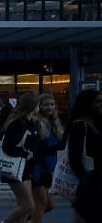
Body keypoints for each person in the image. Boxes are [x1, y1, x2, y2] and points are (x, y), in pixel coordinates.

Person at [0, 92, 39, 223]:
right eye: (38, 104)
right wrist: (25, 153)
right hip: (14, 167)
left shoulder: (31, 122)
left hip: (25, 168)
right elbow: (7, 147)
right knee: (28, 205)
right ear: (33, 106)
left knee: (25, 206)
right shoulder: (18, 123)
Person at [68, 88, 102, 222]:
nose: (101, 104)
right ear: (88, 104)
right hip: (92, 181)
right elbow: (74, 158)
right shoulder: (80, 125)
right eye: (98, 102)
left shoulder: (97, 124)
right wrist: (86, 180)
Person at [30, 93, 63, 223]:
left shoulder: (55, 122)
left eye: (52, 104)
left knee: (49, 205)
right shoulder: (37, 122)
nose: (50, 107)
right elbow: (38, 148)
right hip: (38, 167)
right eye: (46, 104)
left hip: (50, 168)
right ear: (40, 106)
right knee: (41, 204)